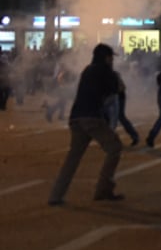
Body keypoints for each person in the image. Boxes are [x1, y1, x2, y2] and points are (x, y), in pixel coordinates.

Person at [48, 44, 125, 205]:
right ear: (106, 58)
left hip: (77, 117)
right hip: (92, 117)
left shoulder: (88, 70)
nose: (112, 60)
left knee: (73, 158)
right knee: (115, 147)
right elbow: (116, 90)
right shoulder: (105, 71)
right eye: (110, 57)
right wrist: (117, 81)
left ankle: (56, 195)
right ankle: (104, 188)